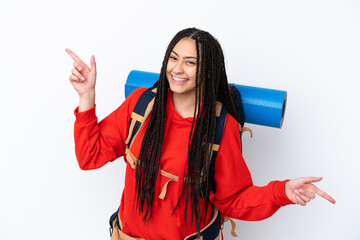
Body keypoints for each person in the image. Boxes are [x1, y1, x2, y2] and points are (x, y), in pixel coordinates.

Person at [66, 28, 335, 240]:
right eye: (173, 58)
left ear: (207, 70)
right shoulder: (141, 105)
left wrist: (281, 192)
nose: (177, 69)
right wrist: (86, 95)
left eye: (190, 62)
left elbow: (234, 200)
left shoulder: (220, 127)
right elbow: (89, 157)